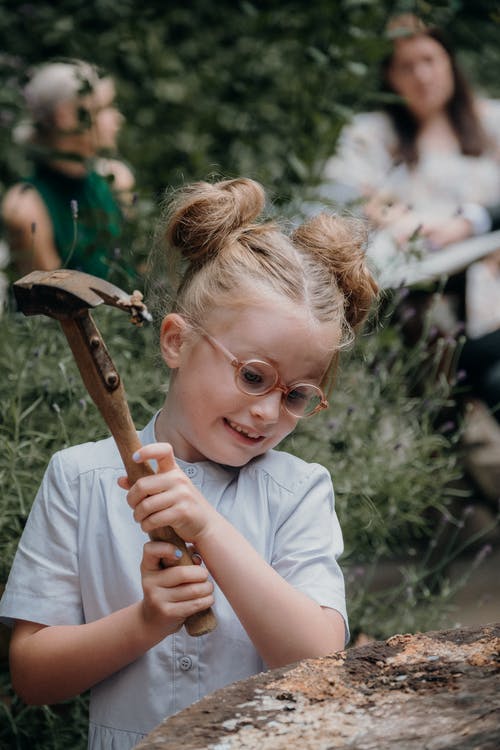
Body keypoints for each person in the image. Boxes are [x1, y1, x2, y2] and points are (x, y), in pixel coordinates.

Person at [0, 177, 378, 749]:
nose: (268, 410)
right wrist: (145, 621)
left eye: (297, 394)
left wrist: (208, 528)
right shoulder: (81, 479)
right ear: (176, 341)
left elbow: (318, 658)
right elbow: (32, 675)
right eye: (252, 375)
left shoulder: (298, 490)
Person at [322, 13, 500, 288]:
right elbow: (343, 197)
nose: (422, 76)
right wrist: (388, 216)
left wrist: (466, 224)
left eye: (429, 60)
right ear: (389, 76)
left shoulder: (492, 123)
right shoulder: (369, 134)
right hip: (409, 275)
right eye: (406, 66)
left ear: (449, 61)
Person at [1, 59, 135, 279]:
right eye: (105, 108)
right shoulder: (25, 208)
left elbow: (139, 273)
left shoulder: (117, 180)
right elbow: (48, 305)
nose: (118, 118)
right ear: (65, 116)